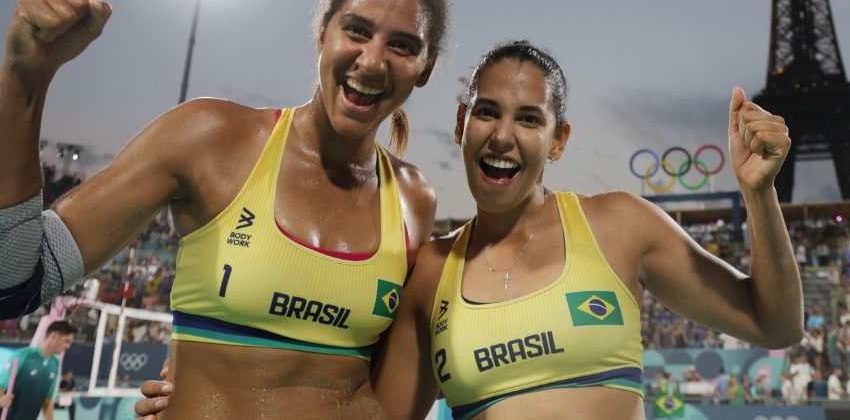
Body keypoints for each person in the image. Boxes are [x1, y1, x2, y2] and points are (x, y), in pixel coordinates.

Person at [136, 40, 804, 419]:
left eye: (529, 118)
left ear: (559, 137)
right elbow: (377, 416)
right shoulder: (428, 272)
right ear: (461, 125)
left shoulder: (619, 225)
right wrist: (209, 390)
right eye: (486, 113)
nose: (503, 136)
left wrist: (759, 195)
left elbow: (773, 324)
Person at [0, 0, 450, 418]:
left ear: (425, 67)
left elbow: (396, 381)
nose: (371, 61)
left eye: (403, 45)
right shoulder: (211, 139)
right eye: (356, 31)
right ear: (322, 33)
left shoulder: (413, 200)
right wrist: (25, 75)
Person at [0, 320, 76, 420]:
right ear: (54, 336)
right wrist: (1, 400)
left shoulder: (54, 364)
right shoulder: (22, 356)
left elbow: (47, 401)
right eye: (66, 341)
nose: (68, 346)